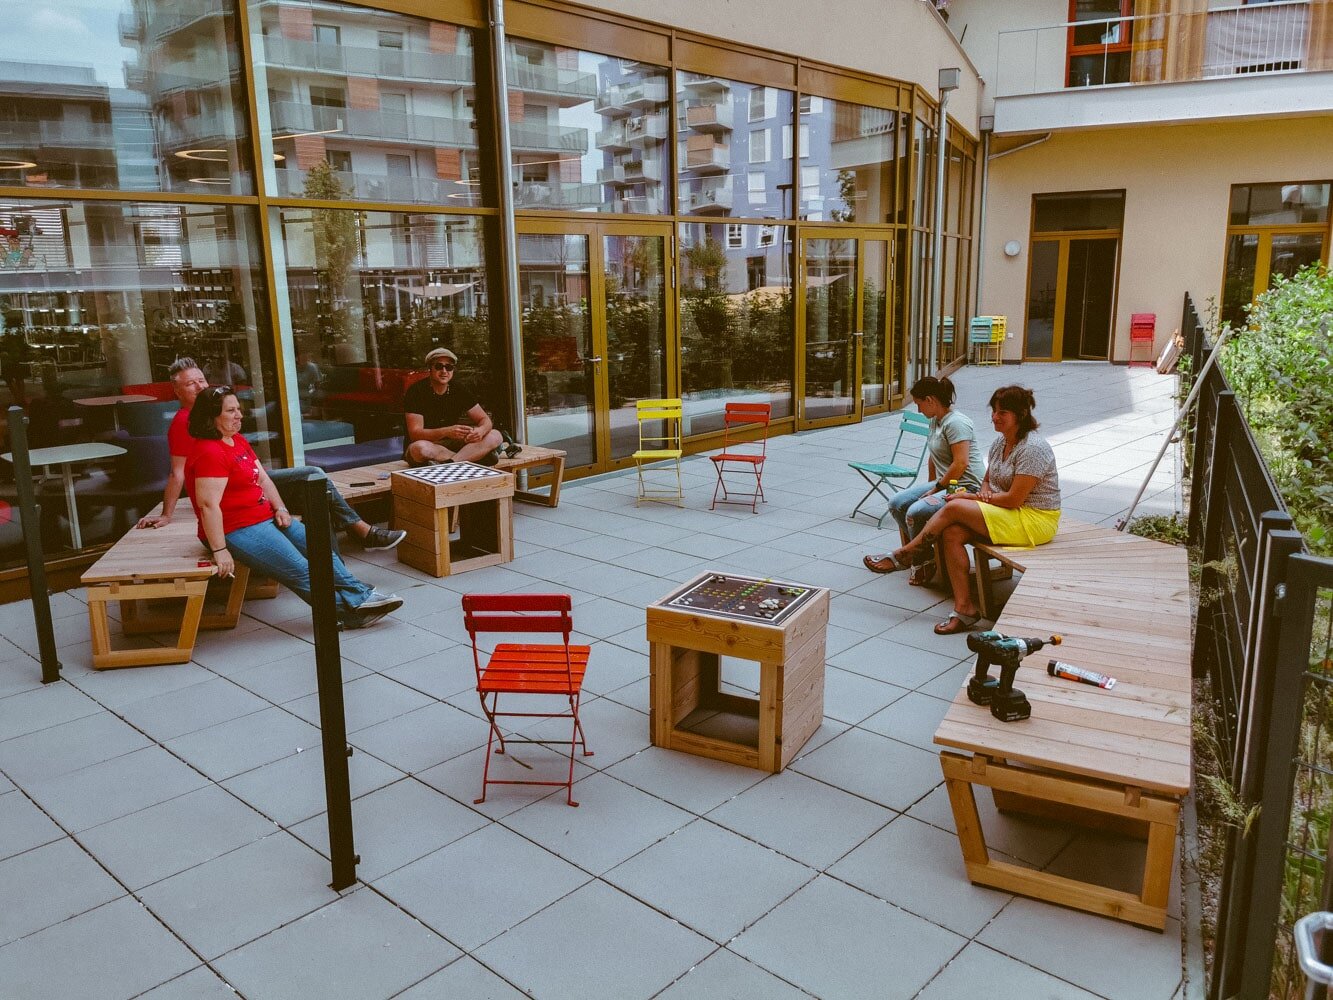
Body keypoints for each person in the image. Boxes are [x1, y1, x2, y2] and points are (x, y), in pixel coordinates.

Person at [185, 386, 402, 630]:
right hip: (234, 528)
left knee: (321, 548)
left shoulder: (236, 440)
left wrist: (280, 508)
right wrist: (220, 550)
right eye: (231, 411)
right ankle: (349, 611)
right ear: (212, 416)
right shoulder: (209, 452)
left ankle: (360, 596)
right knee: (300, 569)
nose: (239, 416)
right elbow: (208, 506)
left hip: (264, 516)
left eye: (239, 409)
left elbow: (264, 479)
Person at [136, 357, 405, 551]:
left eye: (201, 380)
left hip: (247, 480)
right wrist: (167, 514)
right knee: (312, 477)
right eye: (189, 384)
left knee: (314, 488)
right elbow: (178, 471)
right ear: (177, 390)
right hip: (234, 491)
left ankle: (342, 559)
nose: (198, 386)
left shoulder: (211, 414)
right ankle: (360, 533)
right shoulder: (185, 422)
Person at [864, 385, 1061, 636]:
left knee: (955, 506)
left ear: (1021, 414)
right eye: (993, 411)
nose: (995, 417)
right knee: (952, 533)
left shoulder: (1033, 448)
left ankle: (909, 552)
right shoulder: (1002, 441)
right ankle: (964, 609)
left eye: (1003, 413)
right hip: (1008, 511)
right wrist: (986, 490)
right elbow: (988, 477)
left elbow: (1013, 500)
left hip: (1034, 519)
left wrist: (974, 496)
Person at [873, 375, 984, 587]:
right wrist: (931, 485)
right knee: (897, 503)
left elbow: (960, 464)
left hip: (967, 485)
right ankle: (924, 558)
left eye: (919, 404)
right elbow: (933, 456)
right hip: (946, 482)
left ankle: (919, 560)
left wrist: (935, 490)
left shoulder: (957, 423)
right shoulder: (935, 420)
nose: (918, 410)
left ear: (931, 400)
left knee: (916, 512)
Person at [403, 347, 503, 466]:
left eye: (449, 367)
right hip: (429, 444)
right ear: (430, 368)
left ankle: (452, 463)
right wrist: (447, 431)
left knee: (495, 435)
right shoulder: (416, 392)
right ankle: (476, 457)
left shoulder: (459, 389)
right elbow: (415, 434)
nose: (444, 371)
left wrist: (480, 431)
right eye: (439, 366)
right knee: (419, 448)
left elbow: (485, 420)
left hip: (453, 445)